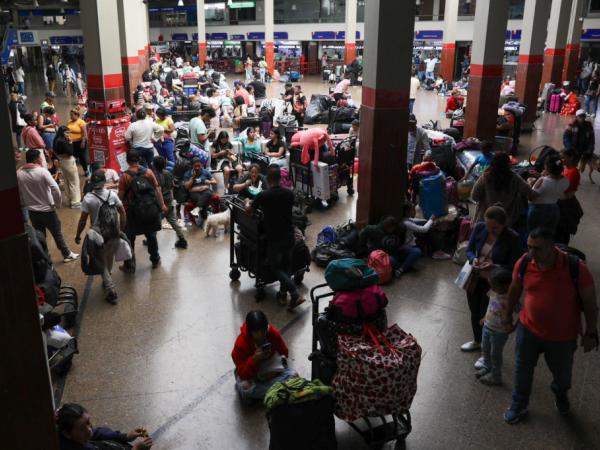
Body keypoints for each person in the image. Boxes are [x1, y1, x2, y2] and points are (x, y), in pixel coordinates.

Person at [503, 227, 598, 424]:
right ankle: (519, 404)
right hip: (527, 328)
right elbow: (514, 288)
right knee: (522, 369)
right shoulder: (525, 262)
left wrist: (590, 332)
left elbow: (590, 302)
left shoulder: (576, 268)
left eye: (537, 248)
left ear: (552, 247)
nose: (531, 253)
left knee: (563, 377)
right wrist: (507, 316)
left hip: (562, 337)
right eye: (529, 247)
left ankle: (560, 392)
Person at [463, 206, 523, 354]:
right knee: (474, 311)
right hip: (476, 277)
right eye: (488, 226)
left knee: (487, 315)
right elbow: (469, 250)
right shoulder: (480, 227)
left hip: (495, 284)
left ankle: (487, 349)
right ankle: (477, 340)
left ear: (504, 224)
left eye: (495, 228)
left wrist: (494, 265)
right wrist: (474, 259)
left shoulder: (512, 238)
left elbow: (515, 265)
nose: (490, 230)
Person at [245, 165, 305, 309]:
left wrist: (247, 202)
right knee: (286, 266)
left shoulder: (263, 195)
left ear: (268, 178)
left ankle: (294, 293)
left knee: (276, 267)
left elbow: (249, 210)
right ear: (279, 178)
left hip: (274, 238)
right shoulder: (289, 194)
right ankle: (283, 295)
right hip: (289, 236)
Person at [17, 150, 80, 263]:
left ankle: (45, 259)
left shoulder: (19, 173)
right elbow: (55, 189)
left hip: (32, 211)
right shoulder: (42, 172)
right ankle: (67, 254)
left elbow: (19, 192)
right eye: (41, 158)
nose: (42, 160)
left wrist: (24, 203)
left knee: (40, 236)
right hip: (48, 210)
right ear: (36, 159)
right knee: (57, 234)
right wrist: (57, 204)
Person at [75, 170, 126, 304]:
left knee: (101, 262)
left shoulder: (88, 198)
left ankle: (111, 290)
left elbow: (82, 220)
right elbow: (122, 211)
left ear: (92, 183)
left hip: (98, 235)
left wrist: (78, 235)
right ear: (104, 182)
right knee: (108, 259)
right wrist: (121, 228)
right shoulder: (112, 195)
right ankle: (107, 279)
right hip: (114, 232)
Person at [231, 310, 298, 403]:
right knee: (245, 387)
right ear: (250, 332)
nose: (261, 335)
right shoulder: (241, 344)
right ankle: (278, 390)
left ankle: (264, 394)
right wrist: (254, 359)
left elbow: (284, 352)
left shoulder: (271, 333)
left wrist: (275, 365)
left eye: (263, 331)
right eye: (257, 333)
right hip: (251, 375)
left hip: (271, 369)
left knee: (293, 375)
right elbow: (243, 373)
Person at [118, 150, 167, 272]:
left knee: (129, 238)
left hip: (132, 212)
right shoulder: (149, 172)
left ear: (127, 161)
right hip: (149, 209)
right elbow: (157, 190)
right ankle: (155, 260)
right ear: (139, 159)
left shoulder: (125, 176)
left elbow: (120, 197)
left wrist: (119, 211)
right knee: (151, 235)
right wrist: (162, 205)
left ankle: (129, 265)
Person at [472, 152, 535, 228]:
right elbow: (529, 193)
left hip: (485, 220)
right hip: (507, 221)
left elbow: (474, 196)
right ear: (508, 164)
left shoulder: (485, 177)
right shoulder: (514, 178)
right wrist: (531, 183)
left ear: (492, 164)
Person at [56, 403, 153, 450]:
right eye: (82, 428)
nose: (89, 429)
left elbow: (97, 433)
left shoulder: (74, 435)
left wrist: (125, 436)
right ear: (67, 433)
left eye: (88, 422)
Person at [476, 268, 514, 386]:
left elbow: (522, 311)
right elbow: (491, 305)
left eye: (494, 286)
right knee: (485, 348)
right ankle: (487, 367)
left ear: (506, 285)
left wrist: (512, 325)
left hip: (500, 332)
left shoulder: (511, 298)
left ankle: (496, 375)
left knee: (495, 354)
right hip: (487, 326)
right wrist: (485, 317)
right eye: (491, 285)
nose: (492, 288)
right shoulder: (493, 292)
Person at [152, 156, 188, 250]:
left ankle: (150, 240)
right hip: (169, 198)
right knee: (173, 221)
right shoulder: (168, 173)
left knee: (154, 221)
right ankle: (182, 240)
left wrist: (161, 204)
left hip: (159, 202)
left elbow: (157, 191)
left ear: (154, 165)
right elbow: (172, 186)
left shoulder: (154, 175)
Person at [527, 155, 568, 233]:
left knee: (534, 235)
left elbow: (531, 197)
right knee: (548, 235)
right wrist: (542, 175)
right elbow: (552, 183)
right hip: (554, 210)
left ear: (547, 168)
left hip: (538, 211)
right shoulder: (566, 180)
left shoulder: (542, 181)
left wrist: (529, 183)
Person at [557, 148, 584, 245]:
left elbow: (568, 192)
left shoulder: (573, 172)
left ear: (571, 157)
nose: (560, 160)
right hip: (564, 202)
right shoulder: (567, 169)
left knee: (563, 232)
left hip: (566, 206)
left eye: (563, 158)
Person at [53, 126, 81, 208]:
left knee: (67, 181)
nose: (68, 134)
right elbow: (70, 152)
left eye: (69, 132)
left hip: (62, 161)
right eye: (66, 132)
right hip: (68, 161)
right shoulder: (63, 141)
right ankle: (75, 202)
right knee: (74, 181)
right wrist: (71, 143)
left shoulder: (56, 140)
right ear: (62, 132)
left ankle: (69, 200)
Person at [183, 157, 217, 227]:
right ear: (192, 166)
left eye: (199, 166)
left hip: (205, 192)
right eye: (195, 166)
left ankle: (197, 209)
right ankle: (205, 218)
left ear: (201, 165)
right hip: (194, 193)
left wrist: (209, 181)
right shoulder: (188, 173)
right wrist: (192, 177)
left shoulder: (205, 172)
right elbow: (186, 187)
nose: (197, 168)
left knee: (208, 193)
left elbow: (214, 181)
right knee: (201, 199)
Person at [67, 108, 89, 176]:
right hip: (71, 142)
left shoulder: (81, 122)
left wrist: (83, 142)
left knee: (82, 157)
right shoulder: (69, 122)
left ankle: (86, 171)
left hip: (80, 142)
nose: (71, 116)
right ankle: (74, 172)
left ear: (76, 115)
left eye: (72, 115)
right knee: (72, 157)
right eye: (70, 115)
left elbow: (85, 133)